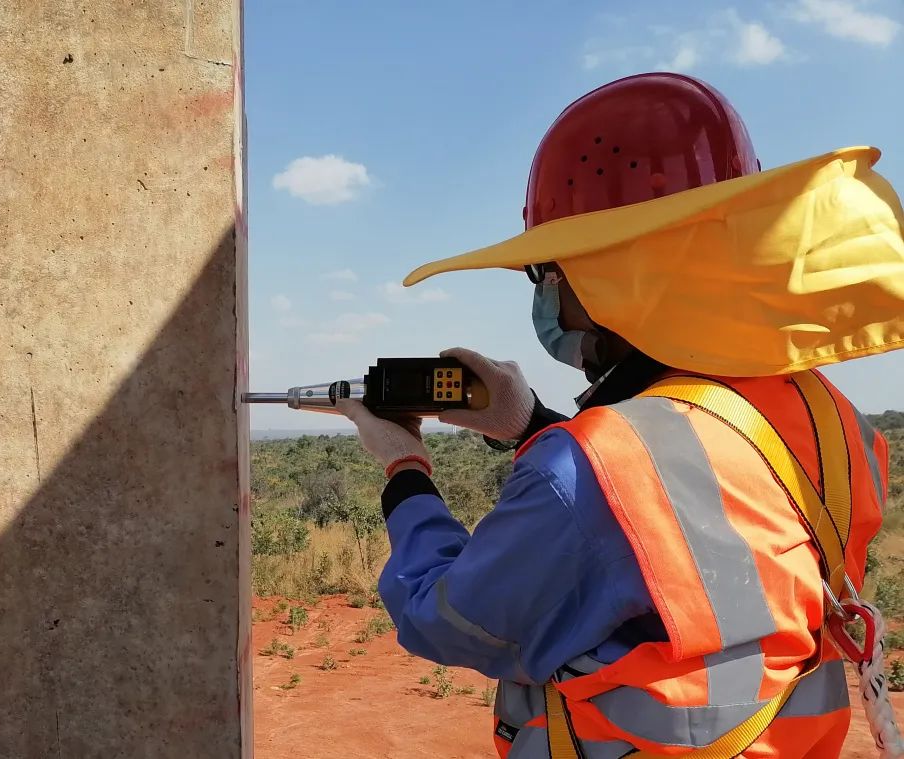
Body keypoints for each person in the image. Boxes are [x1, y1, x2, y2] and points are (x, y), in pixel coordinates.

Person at [337, 72, 894, 758]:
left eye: (548, 272)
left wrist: (405, 470)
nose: (546, 296)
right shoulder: (838, 422)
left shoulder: (587, 465)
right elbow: (683, 515)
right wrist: (532, 423)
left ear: (613, 276)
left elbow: (446, 618)